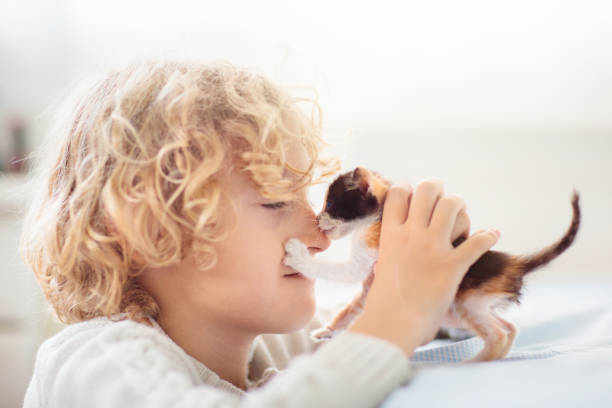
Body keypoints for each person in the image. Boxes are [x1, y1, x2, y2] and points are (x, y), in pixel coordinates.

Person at [20, 59, 500, 407]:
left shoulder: (264, 345)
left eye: (304, 198)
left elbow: (345, 341)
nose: (320, 235)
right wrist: (394, 322)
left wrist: (430, 287)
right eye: (274, 202)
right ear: (148, 231)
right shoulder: (96, 362)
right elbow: (366, 347)